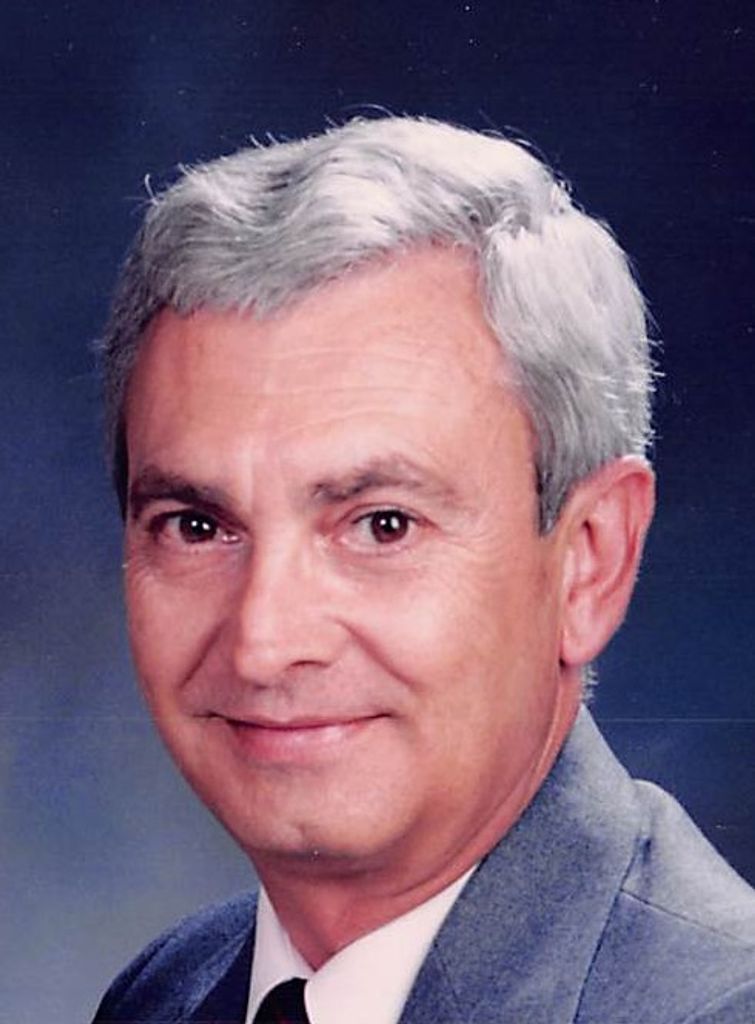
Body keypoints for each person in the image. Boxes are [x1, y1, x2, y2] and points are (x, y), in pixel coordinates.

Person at [92, 117, 755, 1024]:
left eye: (382, 525)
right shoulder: (167, 995)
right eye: (197, 526)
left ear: (588, 561)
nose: (263, 644)